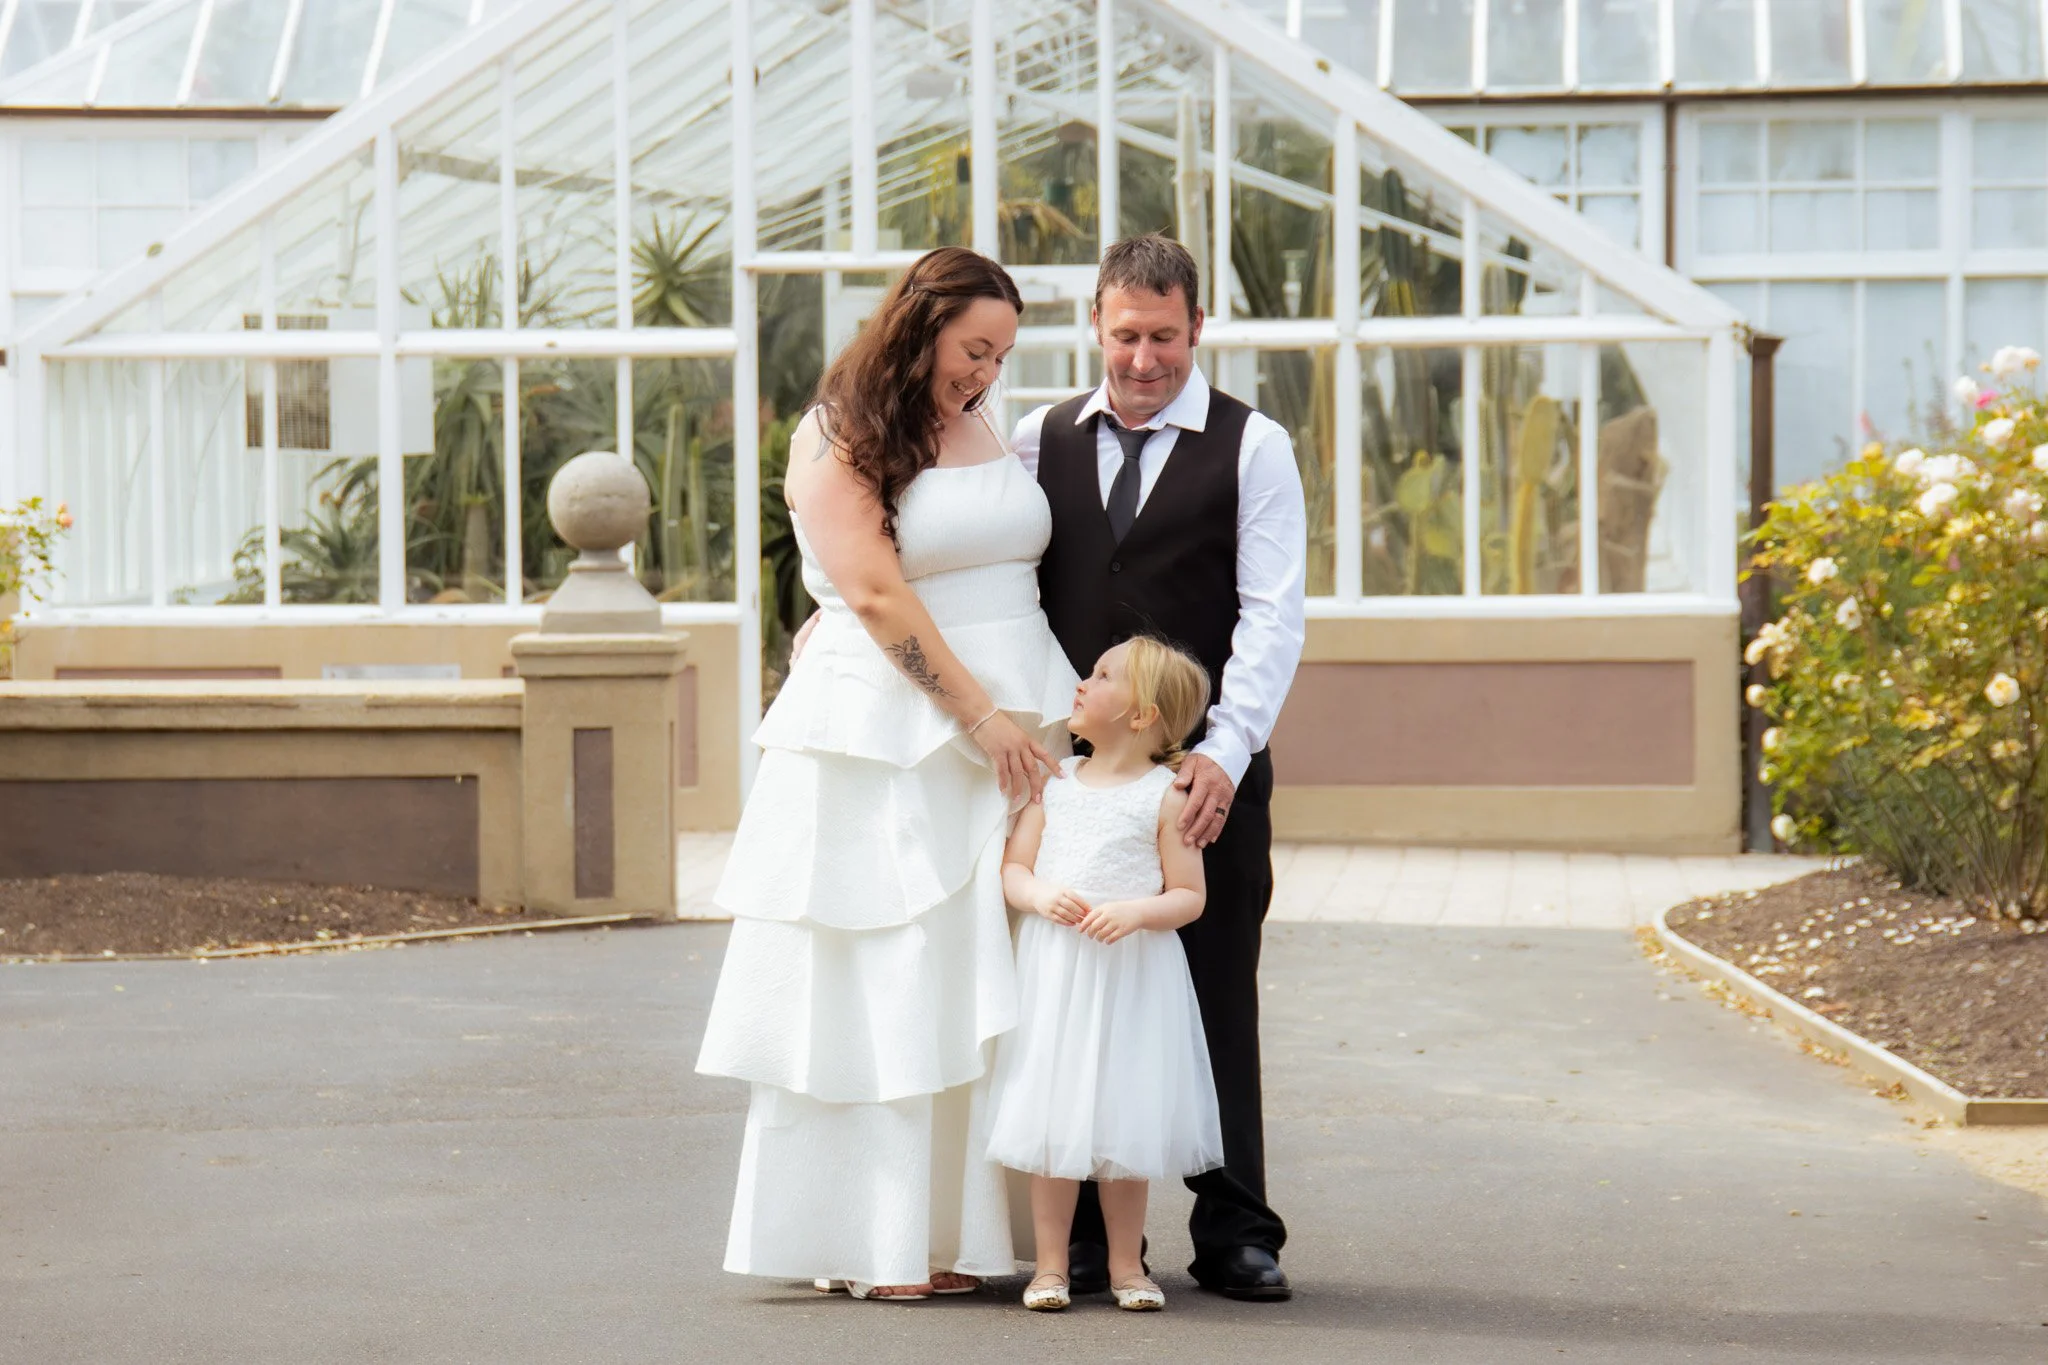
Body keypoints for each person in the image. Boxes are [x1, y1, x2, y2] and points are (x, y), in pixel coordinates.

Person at [696, 247, 1077, 1300]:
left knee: (970, 984)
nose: (986, 372)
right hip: (893, 741)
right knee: (888, 979)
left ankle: (951, 1236)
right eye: (971, 349)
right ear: (917, 325)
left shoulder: (995, 425)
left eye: (1000, 353)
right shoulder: (837, 432)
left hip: (1003, 741)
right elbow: (869, 594)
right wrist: (982, 718)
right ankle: (871, 1244)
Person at [1013, 232, 1307, 1302]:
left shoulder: (1252, 445)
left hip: (1201, 780)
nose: (1144, 358)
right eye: (1126, 335)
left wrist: (1221, 757)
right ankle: (1089, 1240)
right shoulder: (1032, 438)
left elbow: (1271, 620)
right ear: (1095, 325)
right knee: (1082, 992)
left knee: (1214, 991)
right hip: (1085, 787)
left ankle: (1235, 1226)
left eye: (1166, 337)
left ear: (1197, 330)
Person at [985, 636, 1226, 1314]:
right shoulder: (1055, 781)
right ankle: (1051, 1267)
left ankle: (1128, 1265)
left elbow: (1190, 894)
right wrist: (1036, 896)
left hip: (1130, 976)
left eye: (1102, 675)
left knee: (1127, 1121)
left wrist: (1135, 912)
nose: (1083, 683)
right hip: (1058, 972)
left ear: (1144, 714)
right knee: (1051, 1120)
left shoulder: (1165, 797)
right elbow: (1015, 867)